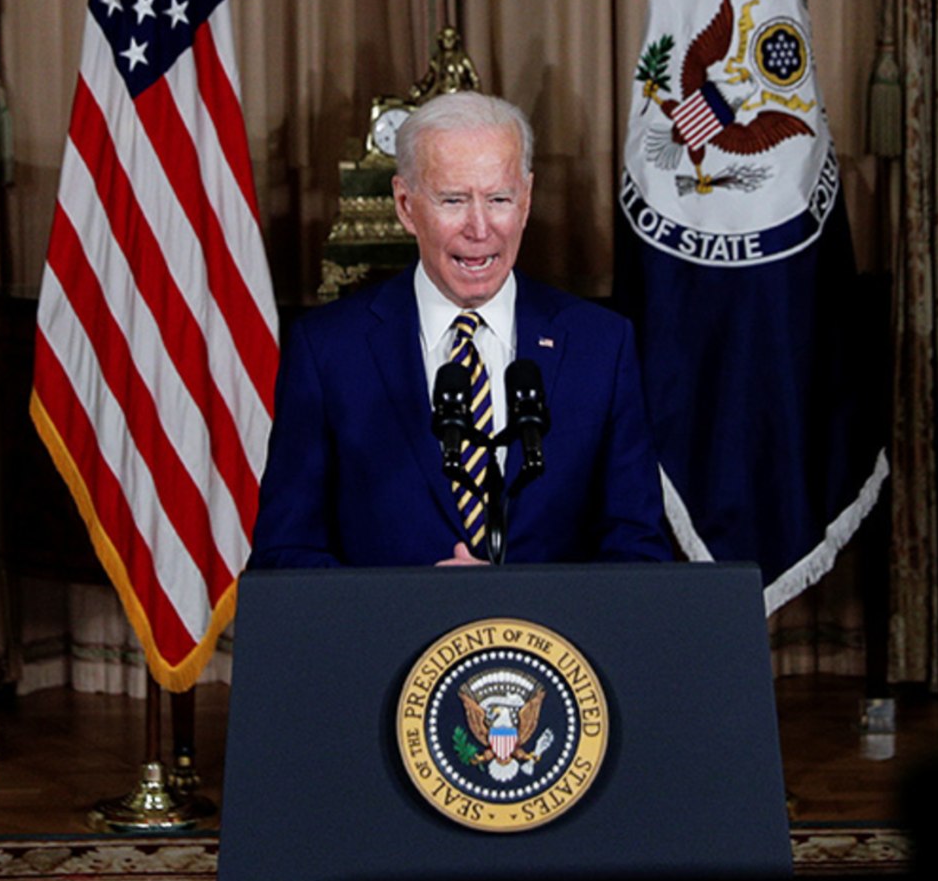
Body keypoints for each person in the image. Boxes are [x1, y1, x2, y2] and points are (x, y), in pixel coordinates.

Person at [251, 91, 670, 569]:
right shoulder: (328, 351)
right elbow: (284, 556)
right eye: (453, 200)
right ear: (406, 206)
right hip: (391, 643)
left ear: (527, 201)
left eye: (498, 199)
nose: (479, 228)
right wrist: (422, 607)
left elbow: (639, 556)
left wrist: (512, 606)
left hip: (552, 645)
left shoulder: (600, 347)